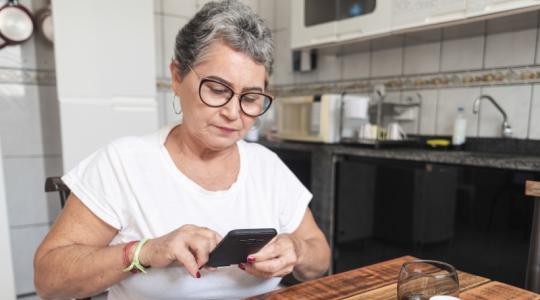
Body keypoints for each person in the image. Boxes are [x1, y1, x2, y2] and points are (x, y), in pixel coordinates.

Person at [33, 1, 331, 299]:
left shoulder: (267, 166)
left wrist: (297, 250)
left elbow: (319, 258)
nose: (232, 112)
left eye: (251, 97)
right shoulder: (123, 163)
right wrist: (146, 251)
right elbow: (48, 279)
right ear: (177, 76)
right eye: (216, 89)